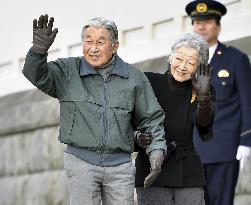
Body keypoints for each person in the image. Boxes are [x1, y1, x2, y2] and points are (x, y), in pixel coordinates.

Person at [22, 14, 167, 205]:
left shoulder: (134, 77)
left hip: (120, 165)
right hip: (80, 162)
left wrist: (157, 150)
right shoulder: (68, 71)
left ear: (115, 46)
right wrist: (38, 51)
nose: (93, 48)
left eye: (100, 42)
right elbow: (37, 75)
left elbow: (152, 117)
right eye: (88, 41)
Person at [135, 32, 215, 205]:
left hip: (187, 169)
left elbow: (204, 125)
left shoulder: (203, 90)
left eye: (191, 62)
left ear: (200, 68)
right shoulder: (148, 82)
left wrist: (203, 96)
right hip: (152, 167)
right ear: (171, 57)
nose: (182, 66)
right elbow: (128, 121)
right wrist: (138, 138)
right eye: (179, 58)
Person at [185, 1, 251, 205]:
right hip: (189, 151)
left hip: (224, 147)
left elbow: (248, 102)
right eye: (196, 22)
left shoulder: (236, 59)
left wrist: (246, 140)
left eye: (207, 21)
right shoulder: (182, 60)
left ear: (218, 25)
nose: (201, 26)